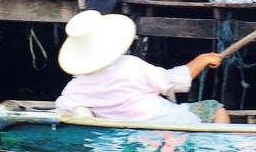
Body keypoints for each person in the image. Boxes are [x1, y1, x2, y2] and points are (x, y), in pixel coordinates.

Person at [55, 9, 230, 125]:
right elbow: (172, 81)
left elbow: (62, 110)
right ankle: (223, 145)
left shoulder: (75, 88)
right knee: (215, 108)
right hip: (168, 121)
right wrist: (201, 60)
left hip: (124, 133)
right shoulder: (129, 66)